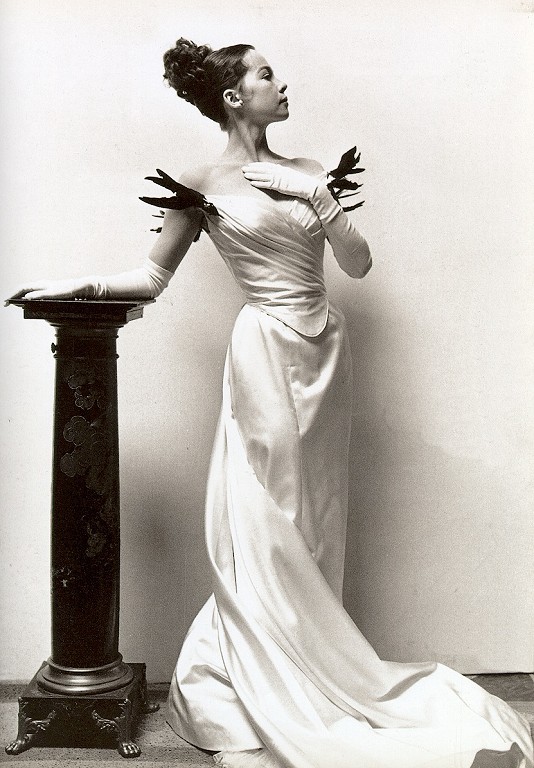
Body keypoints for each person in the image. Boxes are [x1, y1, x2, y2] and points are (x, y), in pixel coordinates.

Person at [11, 38, 533, 768]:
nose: (281, 84)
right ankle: (267, 667)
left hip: (326, 352)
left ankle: (314, 664)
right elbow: (152, 278)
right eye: (266, 74)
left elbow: (358, 263)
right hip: (264, 351)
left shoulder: (310, 171)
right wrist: (80, 288)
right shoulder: (201, 183)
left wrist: (319, 199)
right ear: (233, 96)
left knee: (316, 514)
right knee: (267, 510)